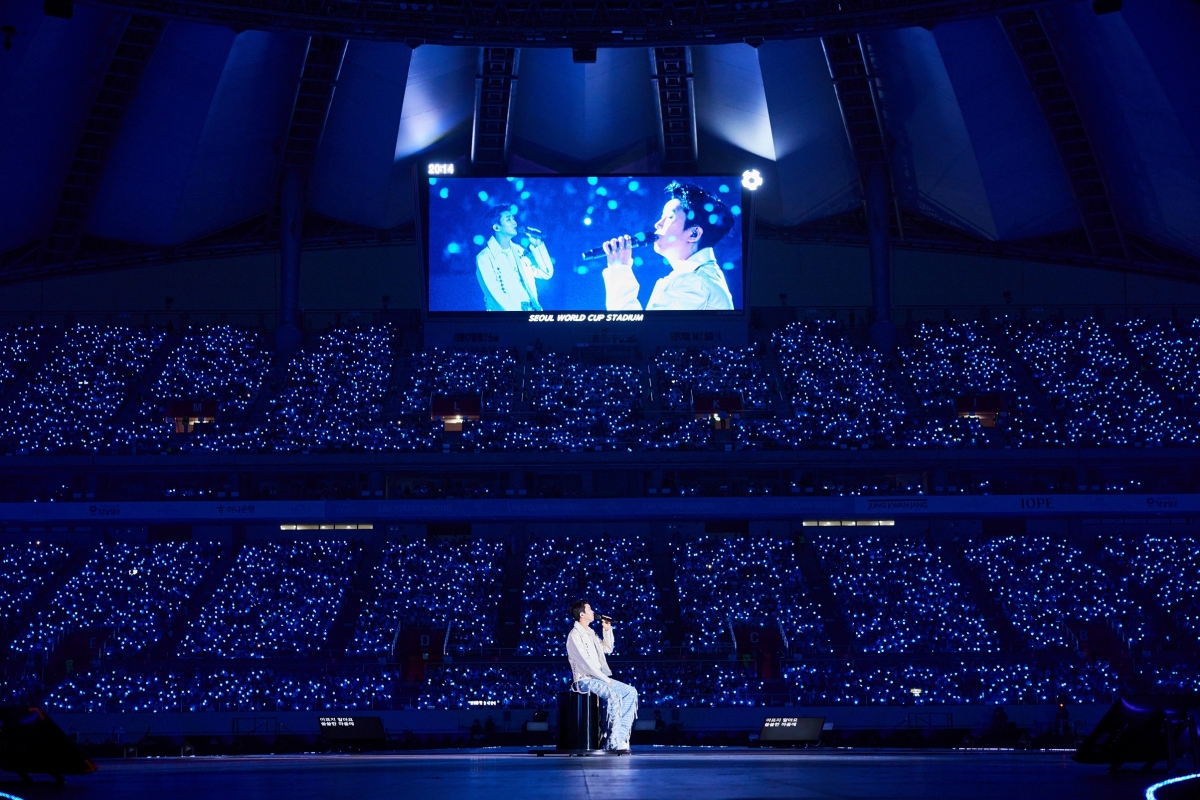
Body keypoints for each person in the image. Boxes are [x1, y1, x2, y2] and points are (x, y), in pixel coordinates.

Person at [601, 181, 735, 311]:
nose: (658, 224)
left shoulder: (694, 284)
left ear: (693, 234)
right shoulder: (693, 278)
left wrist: (620, 269)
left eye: (670, 217)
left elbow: (642, 332)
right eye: (662, 216)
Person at [565, 599, 638, 754]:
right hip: (584, 680)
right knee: (614, 694)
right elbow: (586, 664)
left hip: (598, 678)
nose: (593, 612)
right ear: (582, 614)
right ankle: (612, 742)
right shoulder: (574, 636)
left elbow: (608, 648)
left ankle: (620, 737)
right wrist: (606, 680)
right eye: (590, 609)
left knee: (630, 692)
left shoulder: (590, 633)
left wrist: (607, 630)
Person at [476, 205, 554, 311]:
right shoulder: (485, 258)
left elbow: (546, 272)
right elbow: (495, 293)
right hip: (505, 318)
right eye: (508, 219)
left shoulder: (520, 251)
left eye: (513, 219)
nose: (515, 223)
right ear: (496, 227)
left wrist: (538, 245)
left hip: (531, 312)